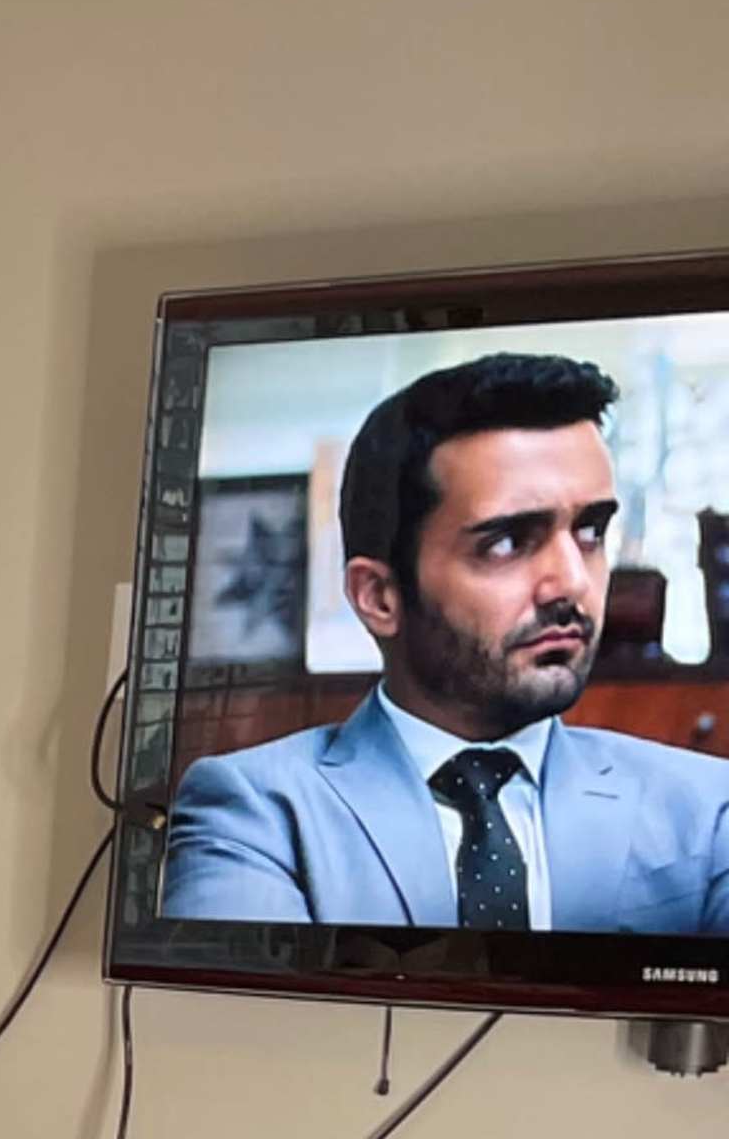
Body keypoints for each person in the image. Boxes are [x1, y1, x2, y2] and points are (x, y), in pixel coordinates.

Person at [159, 349, 729, 930]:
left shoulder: (707, 810)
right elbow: (245, 1020)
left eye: (590, 532)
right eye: (507, 542)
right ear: (380, 596)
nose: (573, 584)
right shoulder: (258, 813)